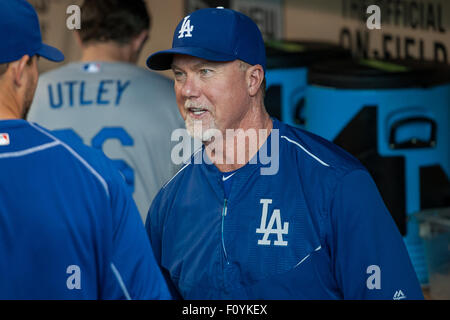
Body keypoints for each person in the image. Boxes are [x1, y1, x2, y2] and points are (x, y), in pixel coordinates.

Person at [144, 7, 424, 300]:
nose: (188, 90)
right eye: (179, 75)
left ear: (253, 80)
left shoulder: (334, 184)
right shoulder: (170, 203)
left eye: (205, 72)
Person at [0, 0, 171, 300]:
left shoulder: (41, 95)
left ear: (78, 35)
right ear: (140, 38)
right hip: (125, 262)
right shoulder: (176, 100)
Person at [28, 0, 185, 222]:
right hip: (141, 251)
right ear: (140, 38)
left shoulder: (32, 91)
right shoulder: (177, 95)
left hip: (55, 248)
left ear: (78, 35)